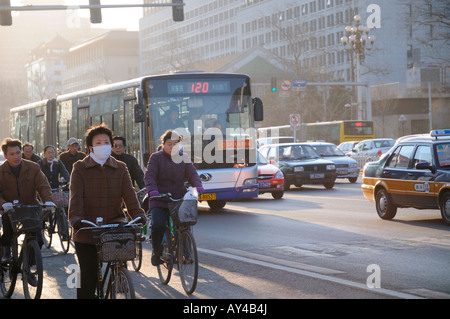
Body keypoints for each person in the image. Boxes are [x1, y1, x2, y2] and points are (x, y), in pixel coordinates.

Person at [68, 124, 146, 299]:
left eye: (106, 142)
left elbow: (130, 195)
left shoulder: (121, 167)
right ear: (90, 146)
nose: (103, 145)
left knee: (120, 261)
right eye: (99, 142)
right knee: (88, 275)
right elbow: (76, 197)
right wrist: (75, 218)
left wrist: (138, 215)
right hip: (86, 228)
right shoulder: (80, 168)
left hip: (114, 225)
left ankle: (117, 278)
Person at [144, 130, 203, 266]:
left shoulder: (184, 157)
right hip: (159, 198)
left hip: (178, 198)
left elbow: (192, 174)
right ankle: (157, 252)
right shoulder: (156, 158)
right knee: (158, 225)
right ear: (163, 144)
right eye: (169, 144)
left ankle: (187, 253)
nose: (172, 147)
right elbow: (150, 176)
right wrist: (152, 190)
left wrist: (198, 186)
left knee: (185, 224)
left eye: (175, 144)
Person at [0, 138, 55, 263]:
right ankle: (7, 250)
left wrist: (48, 201)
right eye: (12, 154)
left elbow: (43, 186)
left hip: (30, 207)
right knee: (8, 231)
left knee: (38, 240)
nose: (16, 156)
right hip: (10, 209)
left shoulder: (33, 167)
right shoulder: (1, 171)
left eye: (18, 153)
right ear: (5, 155)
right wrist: (3, 204)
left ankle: (28, 266)